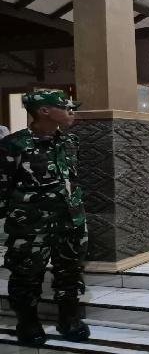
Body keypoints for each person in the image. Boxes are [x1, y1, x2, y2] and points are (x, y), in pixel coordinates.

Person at [0, 90, 90, 345]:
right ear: (44, 111)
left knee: (70, 271)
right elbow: (3, 186)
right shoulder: (14, 144)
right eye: (65, 107)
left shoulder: (70, 141)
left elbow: (72, 178)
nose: (71, 112)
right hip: (31, 226)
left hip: (71, 221)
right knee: (26, 274)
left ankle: (69, 319)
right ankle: (28, 322)